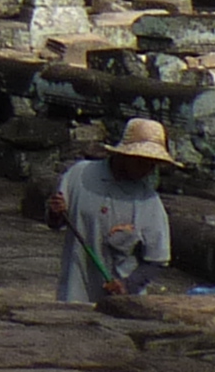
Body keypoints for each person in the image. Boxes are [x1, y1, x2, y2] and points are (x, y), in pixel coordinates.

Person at [57, 117, 178, 301]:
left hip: (120, 303)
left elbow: (157, 260)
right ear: (124, 155)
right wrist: (55, 212)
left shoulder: (148, 200)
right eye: (141, 161)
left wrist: (127, 285)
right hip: (74, 295)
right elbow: (56, 222)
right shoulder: (79, 175)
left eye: (152, 164)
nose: (146, 169)